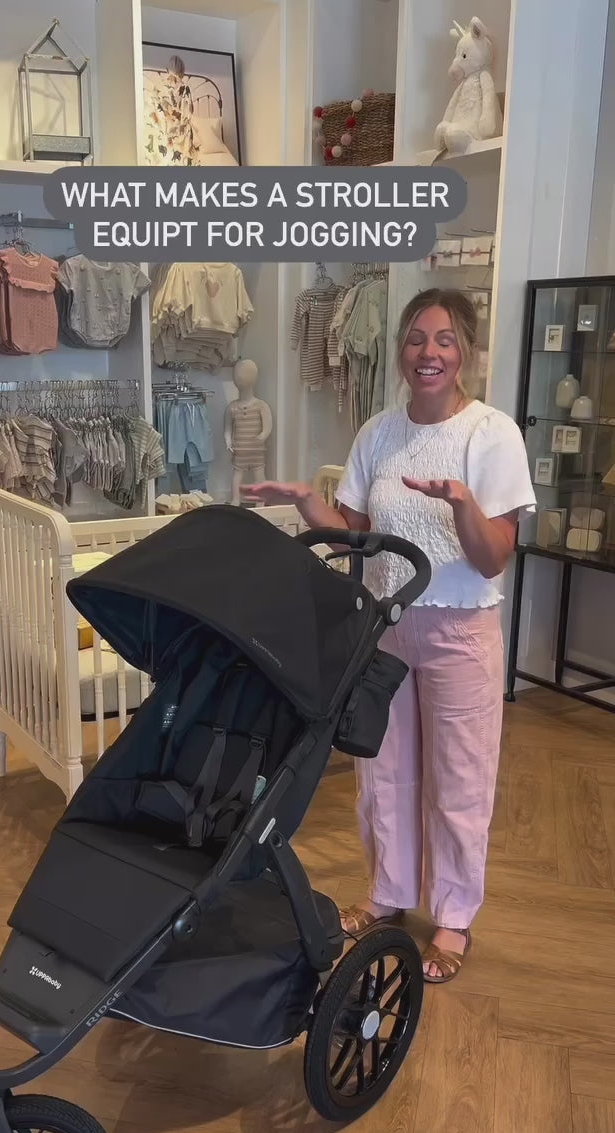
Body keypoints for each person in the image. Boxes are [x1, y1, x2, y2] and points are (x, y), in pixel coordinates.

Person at [243, 288, 536, 983]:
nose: (428, 353)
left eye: (444, 339)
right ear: (401, 350)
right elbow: (353, 535)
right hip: (385, 626)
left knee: (460, 780)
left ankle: (454, 917)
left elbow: (493, 557)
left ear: (465, 351)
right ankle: (388, 893)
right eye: (416, 339)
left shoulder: (492, 434)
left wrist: (462, 505)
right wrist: (309, 504)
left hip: (460, 631)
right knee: (384, 771)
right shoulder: (378, 433)